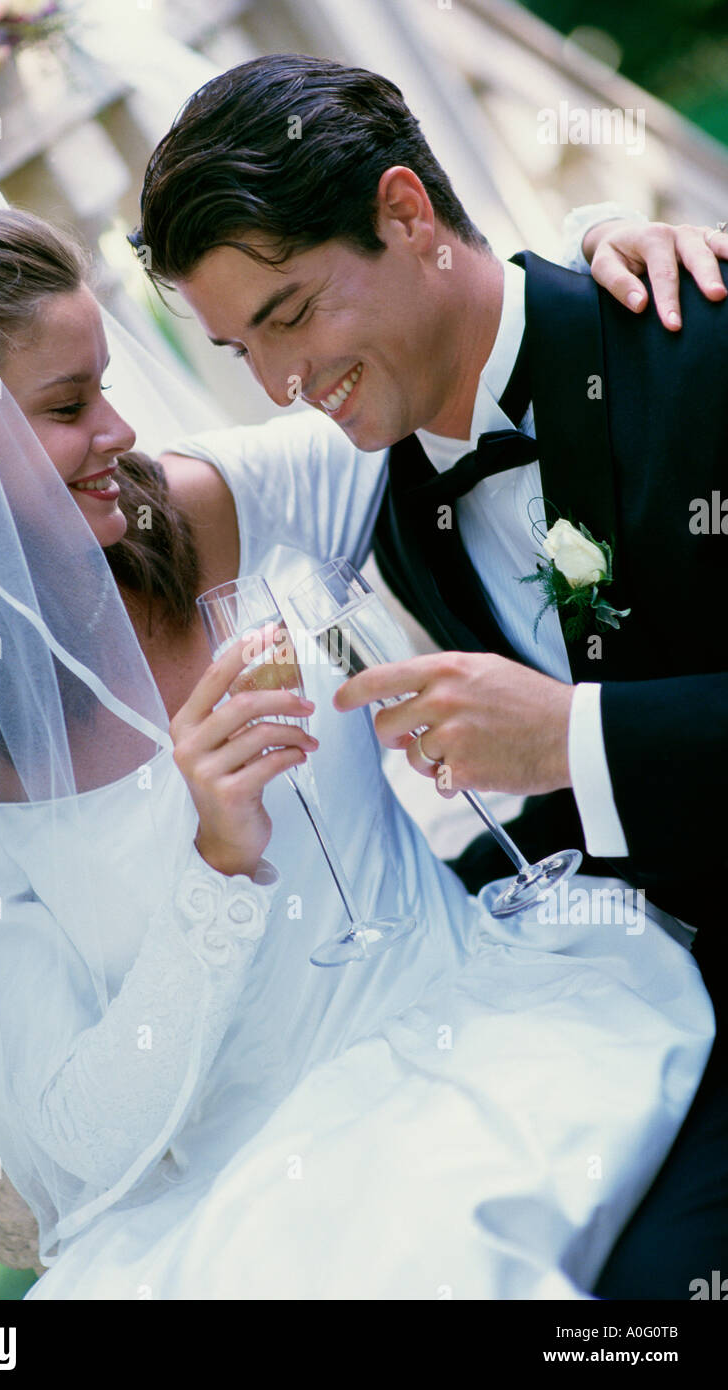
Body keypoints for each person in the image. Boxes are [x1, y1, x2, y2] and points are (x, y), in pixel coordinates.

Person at [0, 142, 713, 1300]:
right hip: (264, 1198)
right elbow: (62, 1147)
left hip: (504, 1025)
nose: (118, 432)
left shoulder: (200, 510)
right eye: (67, 406)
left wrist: (598, 262)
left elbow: (432, 356)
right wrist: (210, 870)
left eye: (106, 384)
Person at [133, 55, 728, 1297]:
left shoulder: (695, 335)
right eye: (243, 348)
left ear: (406, 214)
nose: (280, 386)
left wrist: (571, 736)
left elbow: (581, 749)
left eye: (289, 314)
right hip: (639, 983)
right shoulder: (390, 493)